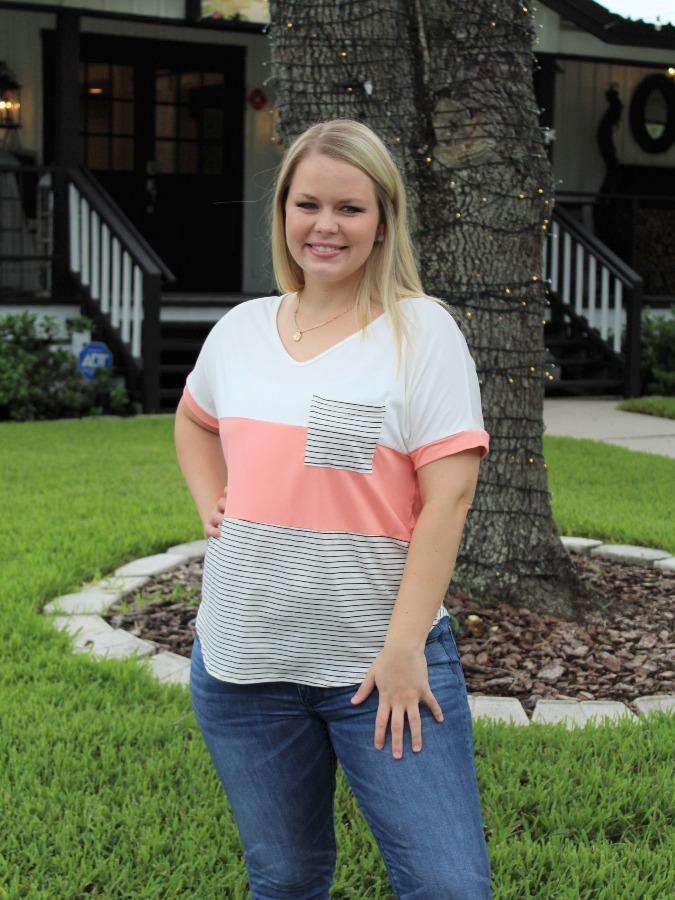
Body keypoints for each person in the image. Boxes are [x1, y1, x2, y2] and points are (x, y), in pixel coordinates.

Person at [174, 118, 493, 899]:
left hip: (379, 669)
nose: (325, 225)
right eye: (307, 203)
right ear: (282, 210)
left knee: (449, 888)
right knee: (284, 878)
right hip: (242, 663)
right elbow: (191, 419)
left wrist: (403, 646)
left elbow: (448, 496)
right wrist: (210, 500)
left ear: (383, 218)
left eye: (349, 208)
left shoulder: (421, 331)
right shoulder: (242, 329)